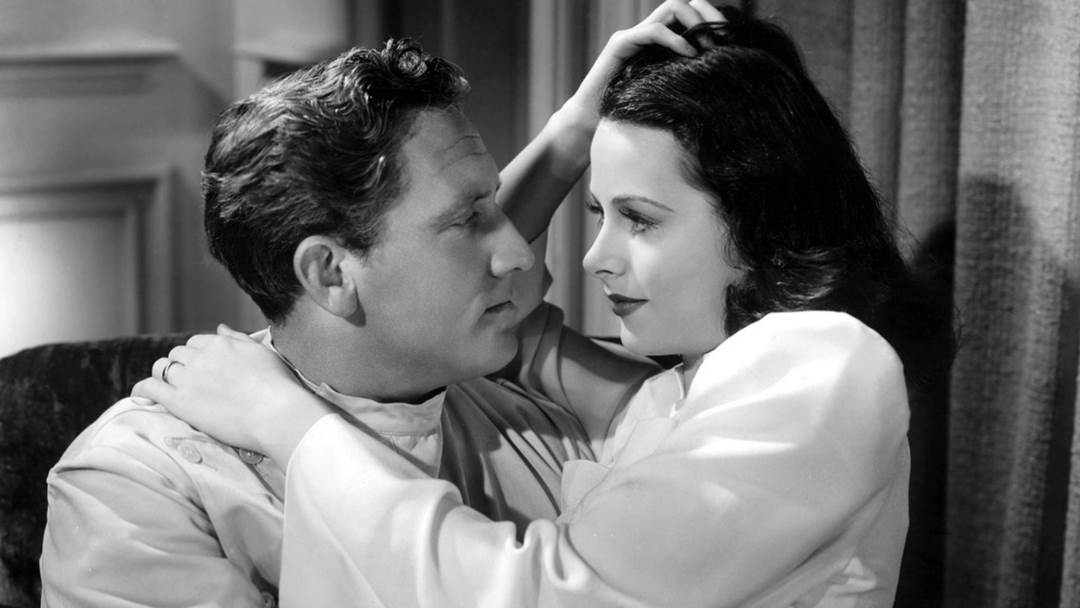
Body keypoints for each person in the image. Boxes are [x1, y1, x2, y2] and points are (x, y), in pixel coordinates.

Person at [136, 4, 953, 607]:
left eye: (640, 219)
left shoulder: (819, 363)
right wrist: (571, 133)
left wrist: (289, 424)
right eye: (599, 214)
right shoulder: (679, 394)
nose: (590, 257)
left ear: (759, 215)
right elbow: (460, 304)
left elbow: (546, 594)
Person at [37, 9, 713, 603]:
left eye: (493, 206)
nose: (519, 253)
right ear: (330, 273)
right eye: (467, 220)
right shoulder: (137, 489)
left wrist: (573, 133)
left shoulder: (521, 395)